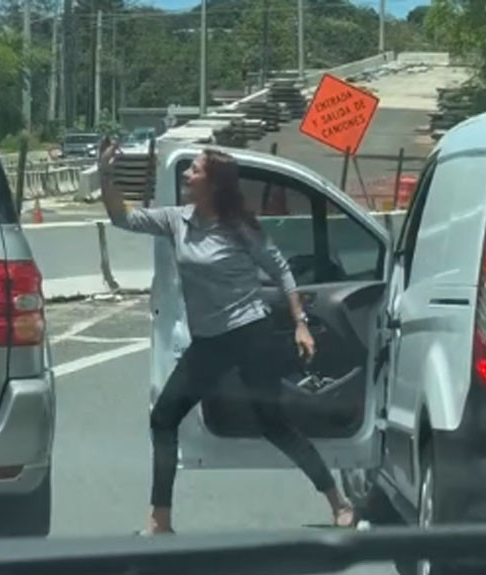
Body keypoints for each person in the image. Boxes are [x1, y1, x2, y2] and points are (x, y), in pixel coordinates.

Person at [98, 142, 357, 534]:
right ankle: (160, 521)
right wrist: (106, 176)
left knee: (273, 423)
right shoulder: (176, 220)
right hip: (209, 341)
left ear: (214, 185)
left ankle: (338, 501)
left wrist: (300, 321)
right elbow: (122, 218)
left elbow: (282, 270)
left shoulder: (240, 228)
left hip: (250, 333)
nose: (186, 175)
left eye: (195, 171)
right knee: (164, 418)